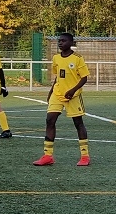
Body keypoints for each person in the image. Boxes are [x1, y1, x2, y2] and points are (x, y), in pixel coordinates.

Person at [33, 32, 90, 166]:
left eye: (63, 41)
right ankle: (48, 156)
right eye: (59, 41)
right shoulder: (56, 58)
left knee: (78, 123)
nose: (60, 43)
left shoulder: (77, 58)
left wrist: (73, 90)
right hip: (57, 94)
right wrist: (51, 92)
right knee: (50, 120)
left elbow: (84, 78)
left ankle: (85, 156)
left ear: (71, 43)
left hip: (73, 95)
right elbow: (58, 77)